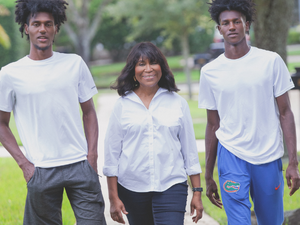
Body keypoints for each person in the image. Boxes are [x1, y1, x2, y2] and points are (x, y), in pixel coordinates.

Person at [0, 0, 106, 224]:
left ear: (56, 28)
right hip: (41, 169)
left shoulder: (74, 64)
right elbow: (1, 123)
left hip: (80, 165)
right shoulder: (10, 74)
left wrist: (92, 156)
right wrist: (25, 164)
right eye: (36, 24)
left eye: (48, 24)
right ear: (26, 27)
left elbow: (89, 112)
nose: (42, 29)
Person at [198, 0, 300, 224]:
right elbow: (212, 124)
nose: (232, 26)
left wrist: (292, 162)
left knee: (271, 221)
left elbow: (286, 113)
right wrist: (208, 173)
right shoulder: (209, 72)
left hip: (269, 154)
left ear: (247, 25)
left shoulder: (270, 61)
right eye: (226, 23)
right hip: (231, 155)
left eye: (237, 21)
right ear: (219, 29)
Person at [103, 42, 203, 225]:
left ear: (161, 68)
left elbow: (190, 152)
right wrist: (113, 198)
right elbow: (111, 156)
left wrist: (197, 191)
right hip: (132, 188)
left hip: (172, 185)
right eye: (141, 64)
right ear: (133, 70)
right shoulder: (122, 105)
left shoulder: (178, 103)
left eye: (153, 63)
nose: (148, 69)